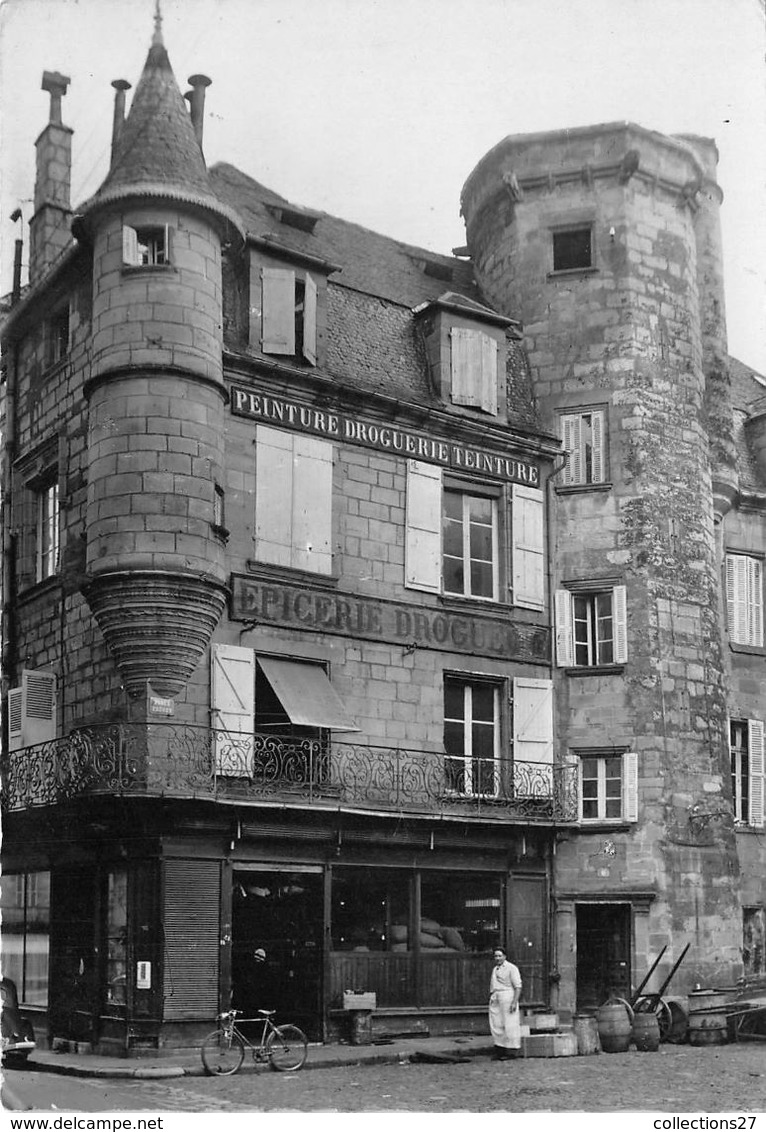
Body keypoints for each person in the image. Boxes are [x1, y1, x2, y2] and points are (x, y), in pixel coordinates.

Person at [488, 946, 522, 1060]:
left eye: (500, 956)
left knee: (510, 1024)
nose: (497, 958)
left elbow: (518, 986)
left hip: (508, 996)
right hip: (496, 998)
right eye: (496, 956)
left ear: (505, 956)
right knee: (497, 1024)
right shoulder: (495, 969)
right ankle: (500, 1050)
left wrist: (514, 1002)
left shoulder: (512, 968)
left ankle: (511, 1052)